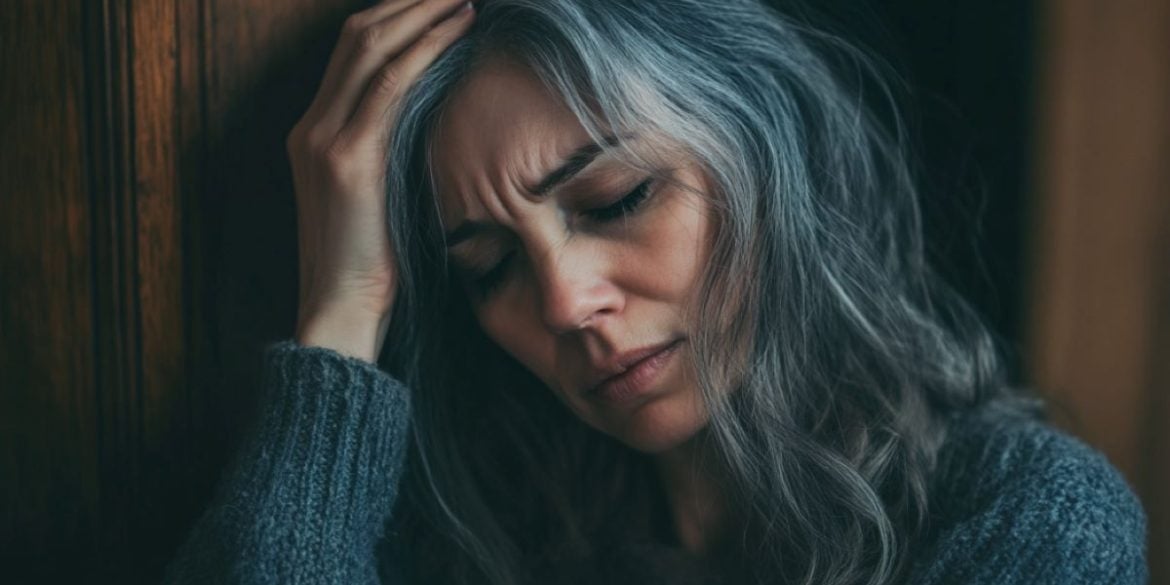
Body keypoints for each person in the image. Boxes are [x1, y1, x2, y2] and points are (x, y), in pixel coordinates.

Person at [164, 0, 1149, 583]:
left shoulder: (1025, 516)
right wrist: (340, 315)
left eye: (619, 197)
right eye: (489, 268)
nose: (563, 302)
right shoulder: (467, 538)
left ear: (768, 157)